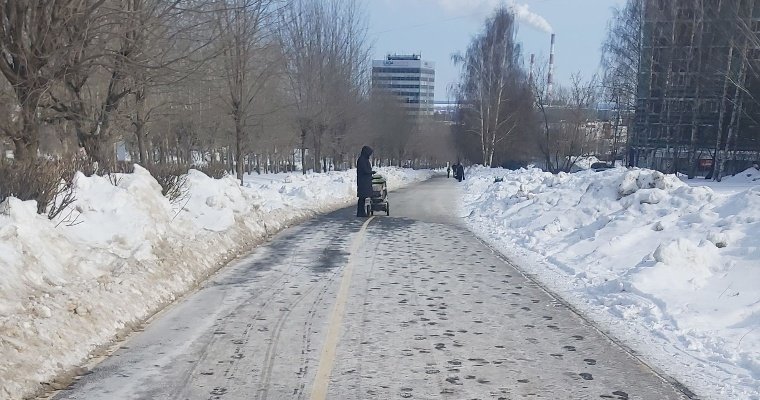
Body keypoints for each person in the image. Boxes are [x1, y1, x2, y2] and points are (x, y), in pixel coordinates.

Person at [356, 145, 374, 217]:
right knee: (362, 197)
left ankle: (361, 212)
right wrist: (371, 172)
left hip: (365, 181)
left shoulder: (364, 159)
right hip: (362, 181)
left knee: (363, 198)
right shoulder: (362, 160)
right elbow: (364, 170)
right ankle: (360, 212)